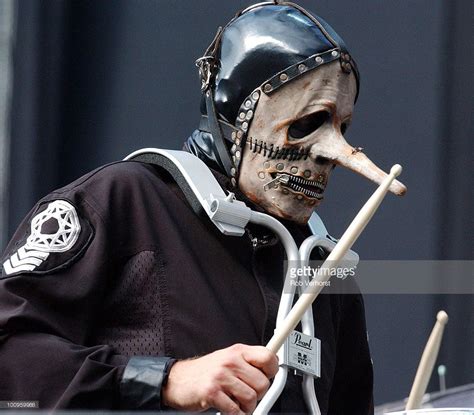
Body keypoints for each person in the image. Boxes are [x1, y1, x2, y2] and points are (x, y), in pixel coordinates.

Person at [0, 2, 405, 413]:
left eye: (343, 128)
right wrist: (165, 380)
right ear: (236, 113)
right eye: (307, 123)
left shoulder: (323, 262)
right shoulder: (123, 201)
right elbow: (10, 356)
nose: (333, 153)